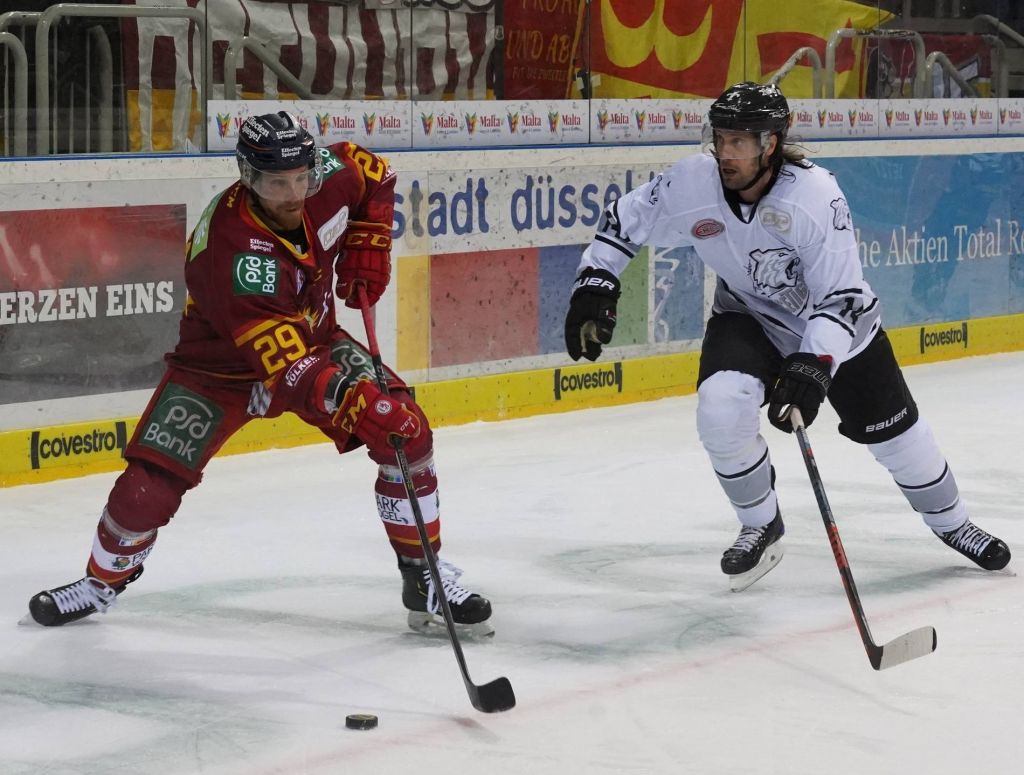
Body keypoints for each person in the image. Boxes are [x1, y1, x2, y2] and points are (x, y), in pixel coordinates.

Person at [27, 111, 493, 634]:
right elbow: (288, 369)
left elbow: (375, 173)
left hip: (313, 339)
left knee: (408, 432)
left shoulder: (325, 176)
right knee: (146, 488)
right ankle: (99, 583)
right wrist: (360, 403)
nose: (294, 193)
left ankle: (422, 575)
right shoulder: (230, 253)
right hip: (219, 370)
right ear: (247, 177)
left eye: (301, 178)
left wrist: (369, 239)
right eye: (277, 182)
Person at [564, 82, 1011, 591]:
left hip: (840, 330)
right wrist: (595, 283)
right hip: (747, 316)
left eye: (739, 141)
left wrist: (812, 363)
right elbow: (626, 220)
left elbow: (841, 296)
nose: (725, 153)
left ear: (770, 143)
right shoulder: (693, 182)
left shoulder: (815, 195)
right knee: (720, 404)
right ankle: (760, 523)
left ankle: (954, 524)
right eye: (720, 138)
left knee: (899, 441)